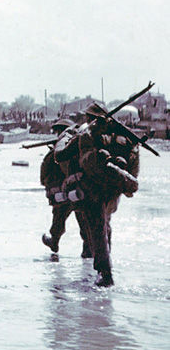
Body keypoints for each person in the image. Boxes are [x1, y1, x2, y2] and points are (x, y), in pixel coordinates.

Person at [52, 104, 142, 286]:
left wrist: (67, 136)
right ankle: (102, 264)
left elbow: (60, 155)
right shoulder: (123, 137)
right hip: (114, 188)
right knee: (105, 224)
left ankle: (105, 272)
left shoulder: (86, 134)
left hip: (92, 187)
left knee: (97, 226)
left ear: (89, 118)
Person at [39, 118, 91, 258]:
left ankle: (54, 242)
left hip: (64, 192)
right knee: (83, 219)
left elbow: (45, 173)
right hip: (78, 189)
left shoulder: (58, 151)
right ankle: (88, 249)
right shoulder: (79, 147)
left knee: (59, 219)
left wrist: (49, 189)